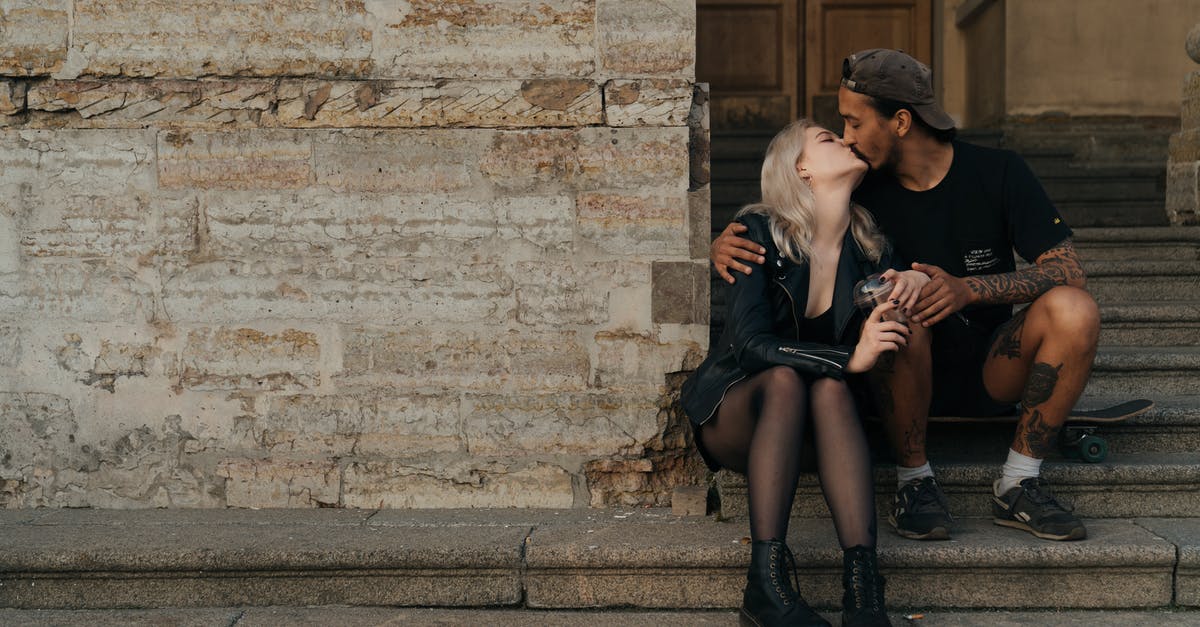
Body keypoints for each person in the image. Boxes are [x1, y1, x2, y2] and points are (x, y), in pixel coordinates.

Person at [710, 49, 1099, 543]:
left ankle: (1019, 483)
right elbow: (791, 216)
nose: (847, 137)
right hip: (897, 367)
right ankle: (915, 483)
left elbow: (1068, 269)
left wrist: (968, 289)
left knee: (1075, 307)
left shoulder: (999, 172)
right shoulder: (858, 187)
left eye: (852, 122)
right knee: (896, 311)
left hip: (993, 366)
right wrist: (725, 242)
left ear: (899, 121)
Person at [682, 119, 926, 627]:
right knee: (790, 379)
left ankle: (864, 594)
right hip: (738, 413)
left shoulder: (874, 251)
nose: (846, 139)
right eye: (828, 139)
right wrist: (849, 359)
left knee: (832, 390)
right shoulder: (755, 234)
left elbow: (906, 310)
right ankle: (765, 584)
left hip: (820, 428)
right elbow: (749, 346)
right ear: (803, 169)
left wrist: (914, 282)